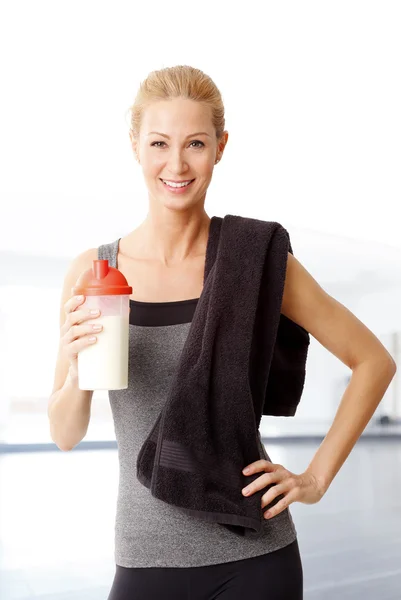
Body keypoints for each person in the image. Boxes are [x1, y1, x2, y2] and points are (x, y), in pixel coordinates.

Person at [48, 65, 396, 600]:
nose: (177, 164)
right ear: (136, 147)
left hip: (254, 559)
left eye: (195, 143)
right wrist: (77, 369)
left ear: (220, 147)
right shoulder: (93, 273)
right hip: (144, 556)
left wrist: (315, 479)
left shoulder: (254, 262)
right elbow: (66, 433)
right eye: (160, 143)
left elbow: (374, 361)